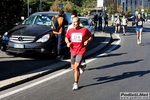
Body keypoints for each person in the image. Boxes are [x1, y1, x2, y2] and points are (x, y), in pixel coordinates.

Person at [65, 17, 93, 90]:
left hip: (81, 50)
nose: (74, 24)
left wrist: (87, 41)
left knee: (76, 67)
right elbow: (66, 37)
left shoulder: (84, 30)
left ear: (79, 22)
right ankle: (81, 67)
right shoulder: (70, 30)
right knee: (73, 68)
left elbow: (90, 37)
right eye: (73, 22)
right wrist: (68, 42)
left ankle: (75, 83)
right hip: (72, 51)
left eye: (76, 22)